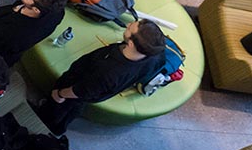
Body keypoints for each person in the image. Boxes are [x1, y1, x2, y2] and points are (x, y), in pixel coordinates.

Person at [35, 20, 168, 135]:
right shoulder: (154, 56)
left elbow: (82, 90)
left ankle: (48, 122)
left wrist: (60, 94)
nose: (128, 24)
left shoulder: (111, 72)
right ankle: (59, 125)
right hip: (96, 88)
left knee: (62, 108)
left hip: (78, 85)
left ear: (132, 44)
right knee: (75, 106)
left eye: (129, 28)